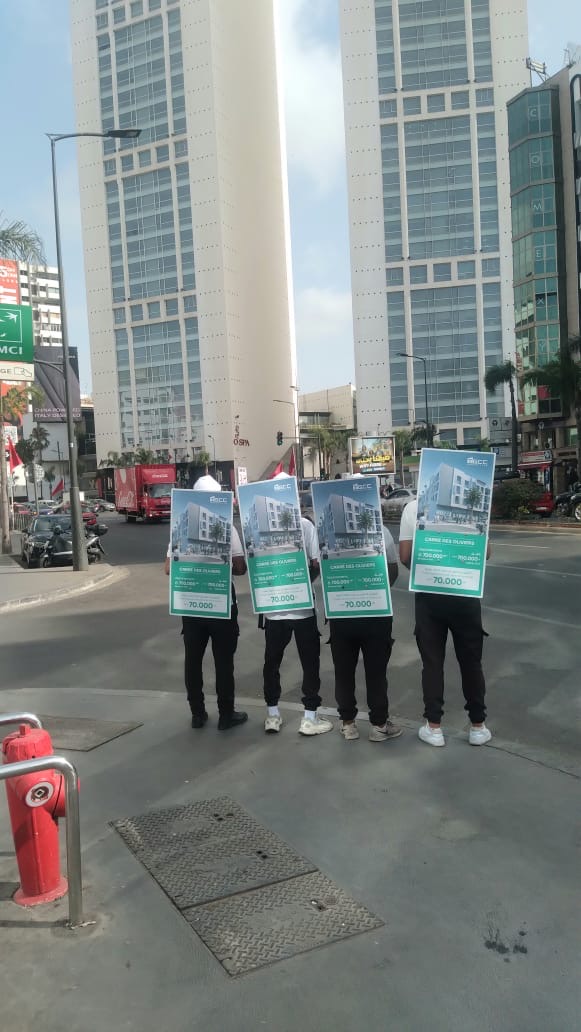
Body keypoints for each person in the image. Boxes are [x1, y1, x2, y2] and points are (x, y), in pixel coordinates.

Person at [399, 498, 491, 748]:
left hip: (429, 595)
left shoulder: (413, 508)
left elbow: (405, 555)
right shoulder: (472, 504)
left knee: (432, 663)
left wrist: (426, 570)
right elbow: (485, 553)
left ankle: (434, 727)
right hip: (465, 593)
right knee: (471, 662)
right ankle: (478, 726)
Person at [164, 474, 248, 731]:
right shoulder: (227, 526)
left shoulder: (179, 526)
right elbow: (240, 567)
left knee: (193, 661)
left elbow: (168, 568)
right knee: (224, 662)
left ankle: (197, 714)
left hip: (191, 605)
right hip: (221, 604)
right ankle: (226, 715)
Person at [261, 473, 332, 737]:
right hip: (302, 609)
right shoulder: (305, 525)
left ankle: (272, 715)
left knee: (272, 663)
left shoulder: (261, 530)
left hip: (273, 611)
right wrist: (302, 583)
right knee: (309, 662)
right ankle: (309, 718)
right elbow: (316, 563)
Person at [329, 524, 402, 743]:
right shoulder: (381, 530)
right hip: (375, 611)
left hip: (341, 610)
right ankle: (379, 726)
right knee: (376, 672)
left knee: (343, 671)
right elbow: (392, 570)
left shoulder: (330, 533)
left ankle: (348, 724)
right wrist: (375, 590)